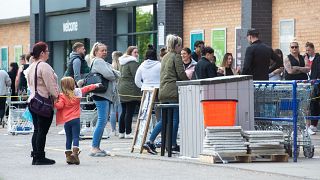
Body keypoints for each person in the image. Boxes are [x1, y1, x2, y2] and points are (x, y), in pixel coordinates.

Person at [143, 34, 188, 154]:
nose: (181, 48)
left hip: (163, 92)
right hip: (173, 92)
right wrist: (189, 82)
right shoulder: (176, 56)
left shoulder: (165, 57)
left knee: (164, 119)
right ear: (176, 45)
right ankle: (172, 144)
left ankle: (150, 141)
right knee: (174, 119)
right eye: (180, 45)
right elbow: (181, 74)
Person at [27, 41, 59, 165]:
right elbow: (50, 85)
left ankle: (36, 156)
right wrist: (56, 96)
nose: (48, 53)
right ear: (42, 53)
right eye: (47, 51)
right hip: (43, 101)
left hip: (33, 100)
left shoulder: (32, 66)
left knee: (37, 130)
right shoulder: (44, 66)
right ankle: (40, 157)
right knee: (42, 131)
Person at [55, 77, 100, 165]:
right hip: (76, 119)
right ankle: (75, 154)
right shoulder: (78, 92)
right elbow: (87, 88)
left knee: (68, 138)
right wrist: (96, 85)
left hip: (67, 121)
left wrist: (54, 101)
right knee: (76, 137)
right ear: (73, 84)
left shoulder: (62, 96)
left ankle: (68, 156)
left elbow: (59, 106)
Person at [88, 42, 120, 157]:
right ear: (96, 52)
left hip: (102, 94)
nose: (105, 52)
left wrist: (113, 72)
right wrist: (114, 72)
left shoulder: (102, 62)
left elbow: (112, 73)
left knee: (102, 120)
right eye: (102, 50)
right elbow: (110, 75)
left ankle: (96, 147)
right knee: (102, 121)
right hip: (101, 94)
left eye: (106, 50)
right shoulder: (98, 61)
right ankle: (94, 147)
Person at [118, 46, 141, 139]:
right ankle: (128, 132)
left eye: (137, 52)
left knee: (124, 111)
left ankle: (121, 132)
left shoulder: (122, 62)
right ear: (130, 53)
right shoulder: (132, 62)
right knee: (129, 112)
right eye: (135, 52)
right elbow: (137, 76)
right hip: (130, 89)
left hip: (122, 88)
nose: (137, 54)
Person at [306, 42, 320, 134]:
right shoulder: (306, 58)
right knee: (310, 104)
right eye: (306, 50)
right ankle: (311, 125)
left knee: (315, 103)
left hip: (316, 83)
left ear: (313, 49)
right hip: (308, 83)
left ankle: (314, 124)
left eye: (309, 50)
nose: (307, 52)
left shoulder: (318, 58)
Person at [109, 51, 123, 136]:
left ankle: (113, 130)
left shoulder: (111, 66)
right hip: (121, 89)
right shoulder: (123, 66)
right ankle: (121, 129)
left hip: (113, 89)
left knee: (112, 111)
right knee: (121, 110)